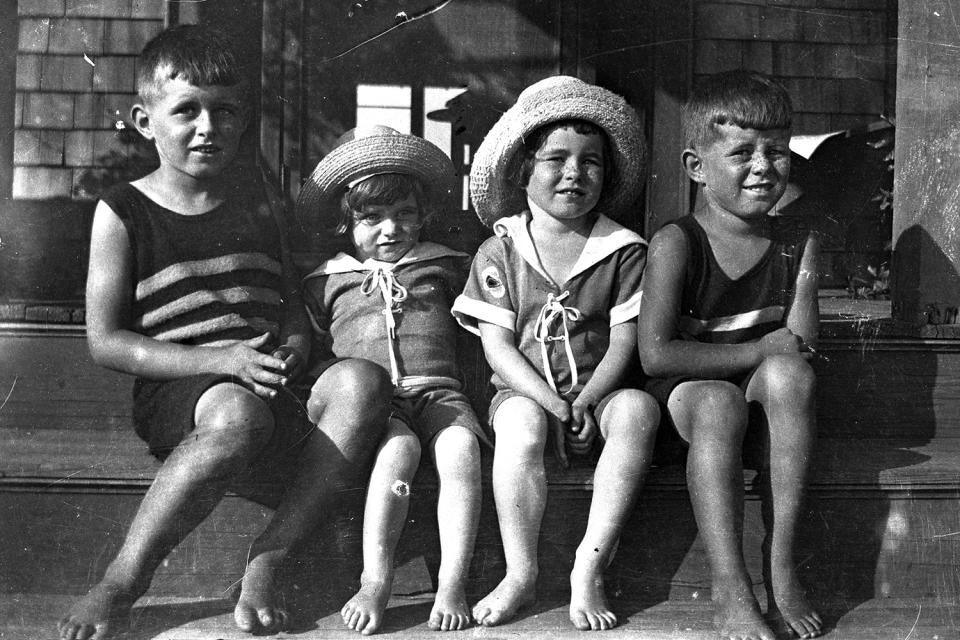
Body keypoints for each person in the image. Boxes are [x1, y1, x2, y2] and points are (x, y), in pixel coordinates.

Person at [58, 25, 390, 640]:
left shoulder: (260, 198)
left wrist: (293, 340)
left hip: (272, 375)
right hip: (189, 386)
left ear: (243, 121)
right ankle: (121, 582)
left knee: (364, 383)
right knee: (237, 416)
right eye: (186, 110)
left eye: (225, 111)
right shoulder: (122, 210)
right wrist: (220, 358)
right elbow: (105, 341)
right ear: (143, 119)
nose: (208, 126)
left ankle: (269, 556)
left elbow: (290, 298)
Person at [452, 76, 661, 631]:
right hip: (527, 394)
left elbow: (623, 341)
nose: (575, 173)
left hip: (602, 390)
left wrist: (588, 400)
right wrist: (550, 402)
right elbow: (497, 345)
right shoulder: (501, 249)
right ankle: (520, 571)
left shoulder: (622, 252)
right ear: (523, 173)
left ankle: (589, 563)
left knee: (640, 412)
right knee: (519, 427)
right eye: (556, 159)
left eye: (592, 162)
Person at [637, 70, 822, 640]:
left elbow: (796, 348)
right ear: (697, 167)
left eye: (777, 151)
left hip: (759, 393)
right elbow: (657, 356)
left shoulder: (798, 244)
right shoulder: (677, 242)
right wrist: (760, 350)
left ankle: (782, 562)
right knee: (719, 403)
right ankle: (729, 582)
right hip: (688, 397)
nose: (764, 166)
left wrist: (772, 354)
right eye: (742, 152)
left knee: (790, 374)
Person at [295, 126, 488, 634]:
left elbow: (479, 329)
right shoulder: (326, 281)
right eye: (371, 218)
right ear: (345, 223)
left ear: (424, 216)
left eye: (404, 214)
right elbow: (315, 353)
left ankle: (452, 580)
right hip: (379, 407)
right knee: (398, 452)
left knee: (461, 452)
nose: (390, 229)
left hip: (440, 393)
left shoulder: (446, 266)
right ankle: (376, 578)